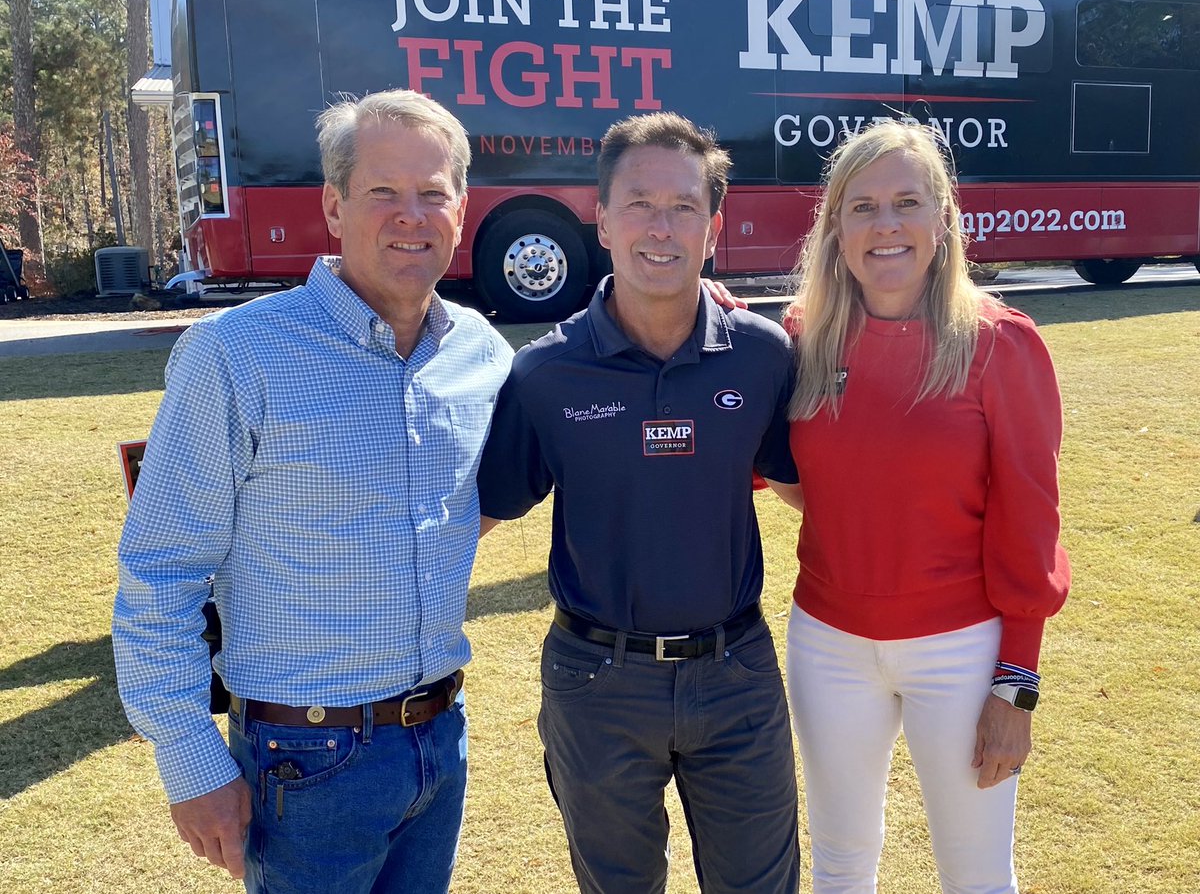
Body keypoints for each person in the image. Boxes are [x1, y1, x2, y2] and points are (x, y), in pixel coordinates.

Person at [112, 89, 512, 894]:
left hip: (439, 741)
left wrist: (686, 300)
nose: (411, 215)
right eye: (382, 193)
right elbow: (161, 567)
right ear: (333, 205)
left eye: (433, 193)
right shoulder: (235, 356)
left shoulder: (482, 353)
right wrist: (189, 757)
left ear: (462, 210)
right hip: (304, 762)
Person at [477, 112, 804, 894]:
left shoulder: (762, 356)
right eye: (640, 203)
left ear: (714, 225)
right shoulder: (546, 374)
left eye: (684, 205)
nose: (662, 227)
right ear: (601, 216)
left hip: (737, 674)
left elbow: (819, 493)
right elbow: (471, 518)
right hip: (597, 682)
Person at [782, 118, 1071, 894]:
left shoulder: (1000, 344)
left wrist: (1016, 683)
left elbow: (1031, 523)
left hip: (965, 653)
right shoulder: (801, 340)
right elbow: (776, 467)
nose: (886, 225)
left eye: (907, 201)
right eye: (863, 205)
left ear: (943, 219)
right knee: (840, 861)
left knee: (975, 874)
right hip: (828, 645)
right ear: (835, 225)